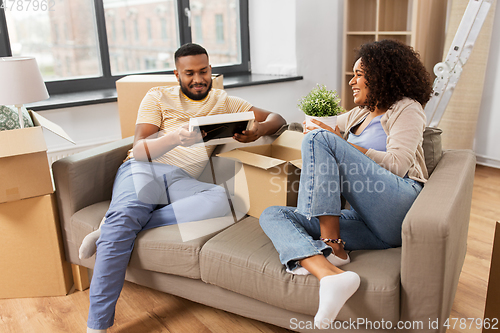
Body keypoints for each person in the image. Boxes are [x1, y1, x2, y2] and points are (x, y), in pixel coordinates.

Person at [82, 43, 286, 333]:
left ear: (211, 70)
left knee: (225, 200)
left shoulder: (224, 100)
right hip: (142, 170)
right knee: (125, 216)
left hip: (181, 179)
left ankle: (118, 225)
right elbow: (139, 150)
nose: (197, 78)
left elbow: (278, 119)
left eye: (203, 71)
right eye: (189, 73)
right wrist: (174, 138)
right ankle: (96, 326)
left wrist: (257, 131)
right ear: (176, 73)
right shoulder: (158, 97)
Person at [259, 39, 433, 329]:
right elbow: (316, 125)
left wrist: (336, 142)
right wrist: (278, 126)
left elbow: (398, 164)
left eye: (359, 74)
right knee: (273, 214)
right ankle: (331, 275)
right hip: (371, 223)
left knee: (320, 140)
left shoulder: (407, 108)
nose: (352, 81)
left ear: (382, 75)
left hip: (399, 205)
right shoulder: (359, 114)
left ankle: (332, 247)